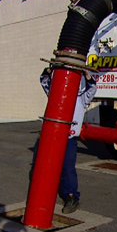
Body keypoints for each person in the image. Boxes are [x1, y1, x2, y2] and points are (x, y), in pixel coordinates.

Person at [39, 66, 97, 213]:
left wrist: (87, 76)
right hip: (53, 138)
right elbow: (44, 82)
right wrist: (48, 72)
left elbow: (92, 89)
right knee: (47, 166)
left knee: (67, 168)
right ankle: (46, 193)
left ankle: (72, 197)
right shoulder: (56, 95)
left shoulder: (81, 99)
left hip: (70, 139)